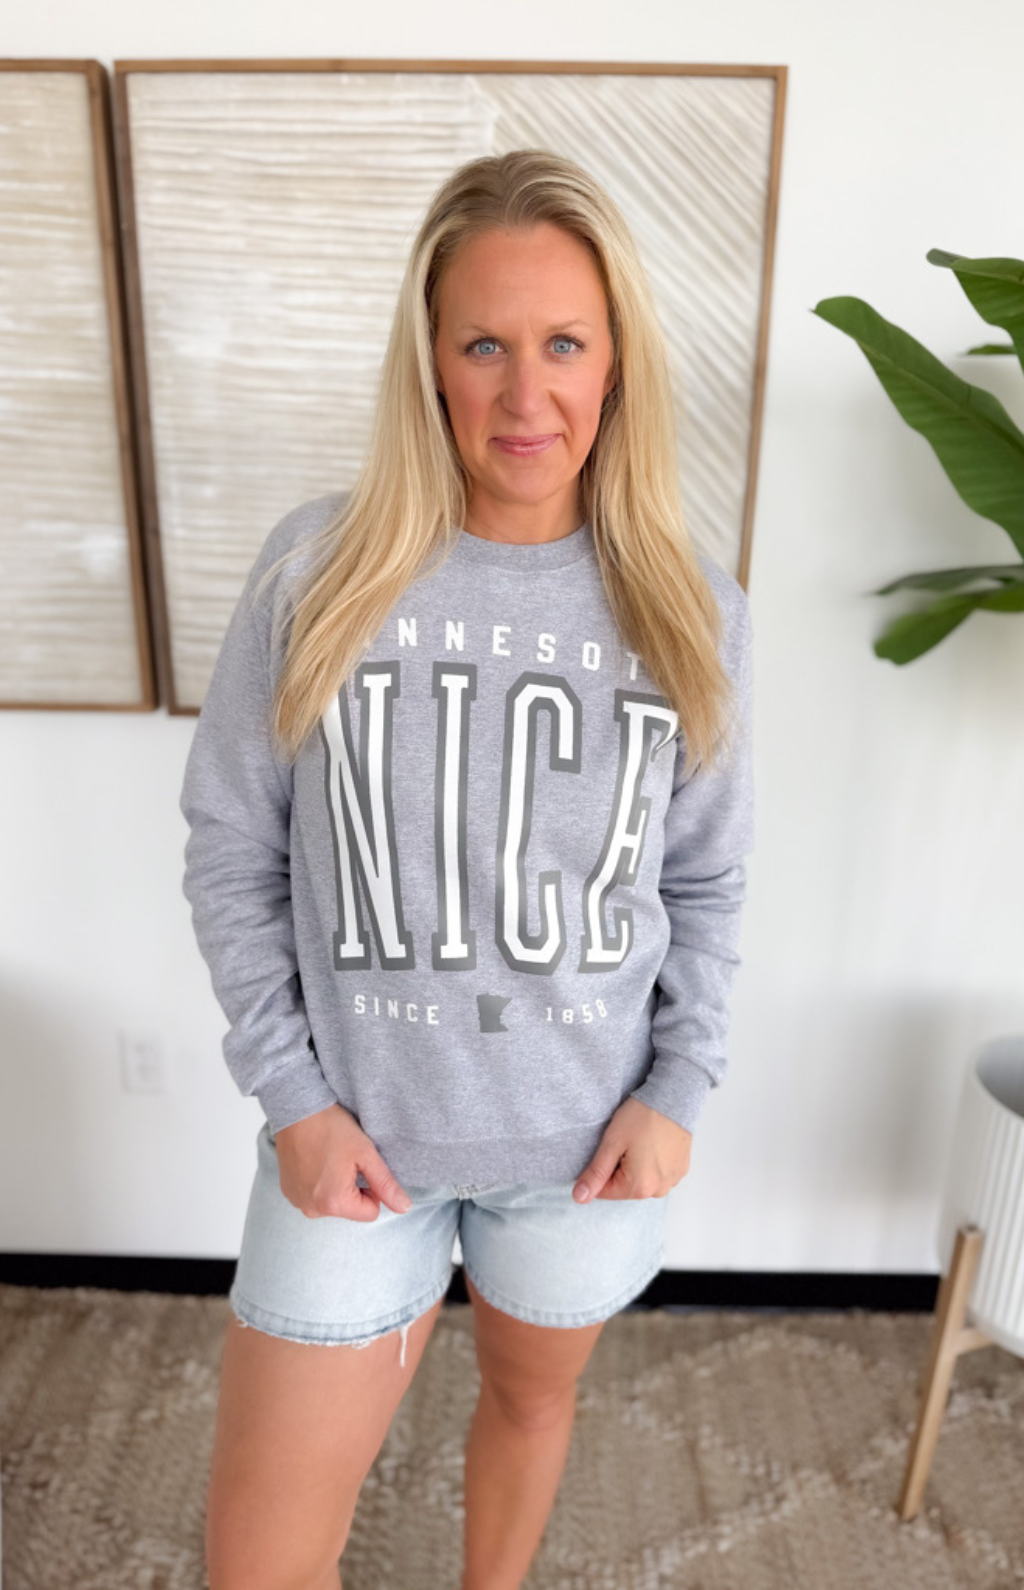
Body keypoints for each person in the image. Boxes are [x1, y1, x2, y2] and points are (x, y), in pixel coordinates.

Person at [180, 147, 754, 1590]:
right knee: (258, 1563)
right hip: (353, 1152)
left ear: (616, 361)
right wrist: (293, 1100)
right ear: (428, 360)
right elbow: (234, 847)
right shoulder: (317, 571)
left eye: (564, 343)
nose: (523, 394)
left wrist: (678, 1090)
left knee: (530, 1400)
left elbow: (704, 882)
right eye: (482, 345)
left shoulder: (690, 609)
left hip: (585, 1153)